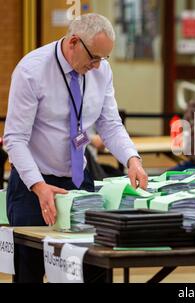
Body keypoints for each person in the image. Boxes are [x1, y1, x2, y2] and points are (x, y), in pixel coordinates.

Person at [4, 13, 148, 283]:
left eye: (104, 59)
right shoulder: (31, 71)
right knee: (30, 272)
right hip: (33, 187)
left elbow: (110, 125)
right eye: (94, 57)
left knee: (93, 269)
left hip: (79, 182)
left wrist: (132, 159)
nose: (97, 66)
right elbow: (15, 138)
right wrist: (38, 185)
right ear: (73, 43)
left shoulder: (101, 71)